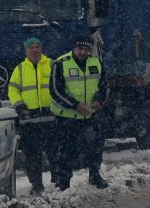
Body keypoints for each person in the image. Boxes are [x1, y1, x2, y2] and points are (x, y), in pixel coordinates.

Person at [50, 34, 109, 190]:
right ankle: (64, 182)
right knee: (65, 151)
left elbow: (104, 87)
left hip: (90, 115)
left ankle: (95, 175)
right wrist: (75, 105)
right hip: (67, 117)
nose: (83, 52)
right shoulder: (60, 63)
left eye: (86, 49)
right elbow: (56, 91)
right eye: (80, 49)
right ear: (74, 48)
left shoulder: (96, 63)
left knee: (96, 146)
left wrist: (99, 101)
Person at [7, 37, 57, 195]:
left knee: (56, 154)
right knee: (32, 157)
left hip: (51, 120)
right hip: (30, 122)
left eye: (37, 47)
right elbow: (13, 90)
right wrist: (19, 105)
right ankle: (36, 185)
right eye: (31, 48)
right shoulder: (20, 69)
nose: (34, 50)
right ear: (26, 51)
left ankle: (59, 181)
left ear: (41, 49)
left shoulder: (51, 65)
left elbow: (61, 85)